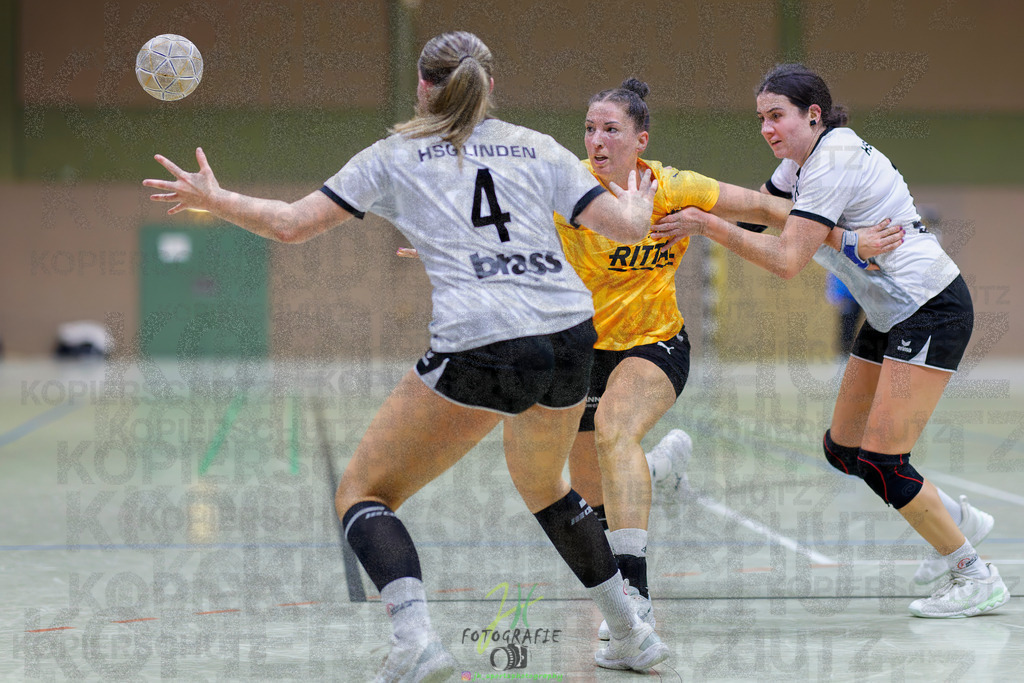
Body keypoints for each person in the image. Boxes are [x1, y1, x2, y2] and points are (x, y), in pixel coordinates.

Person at [144, 31, 674, 680]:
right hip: (569, 334)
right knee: (550, 488)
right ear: (490, 86)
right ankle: (632, 633)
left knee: (364, 491)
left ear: (423, 88)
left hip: (486, 339)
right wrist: (641, 205)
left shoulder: (396, 154)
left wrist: (214, 198)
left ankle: (415, 640)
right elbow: (623, 227)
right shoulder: (537, 145)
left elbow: (290, 224)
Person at [551, 78, 904, 641]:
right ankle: (660, 470)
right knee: (594, 500)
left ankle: (635, 598)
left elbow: (767, 206)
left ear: (640, 139)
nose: (597, 140)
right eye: (590, 129)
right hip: (583, 349)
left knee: (615, 432)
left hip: (656, 343)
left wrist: (850, 240)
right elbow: (504, 230)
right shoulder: (567, 190)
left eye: (611, 129)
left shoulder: (674, 188)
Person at [650, 63, 1006, 618]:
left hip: (930, 307)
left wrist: (704, 226)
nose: (767, 129)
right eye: (761, 119)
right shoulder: (800, 165)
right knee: (843, 450)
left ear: (813, 115)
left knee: (885, 460)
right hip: (892, 314)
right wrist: (666, 207)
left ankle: (973, 573)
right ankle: (955, 522)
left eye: (777, 116)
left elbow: (789, 259)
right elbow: (753, 214)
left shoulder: (833, 158)